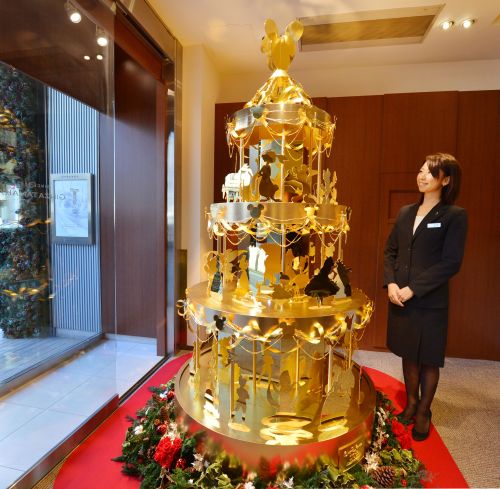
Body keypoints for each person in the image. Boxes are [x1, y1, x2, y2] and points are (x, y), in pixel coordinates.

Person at [384, 153, 468, 441]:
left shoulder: (454, 216)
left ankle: (423, 411)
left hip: (430, 300)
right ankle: (410, 404)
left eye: (430, 173)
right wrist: (391, 283)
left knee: (429, 358)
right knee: (409, 353)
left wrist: (413, 288)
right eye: (421, 170)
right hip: (400, 296)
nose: (422, 176)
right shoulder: (406, 212)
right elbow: (390, 251)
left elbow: (450, 263)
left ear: (445, 180)